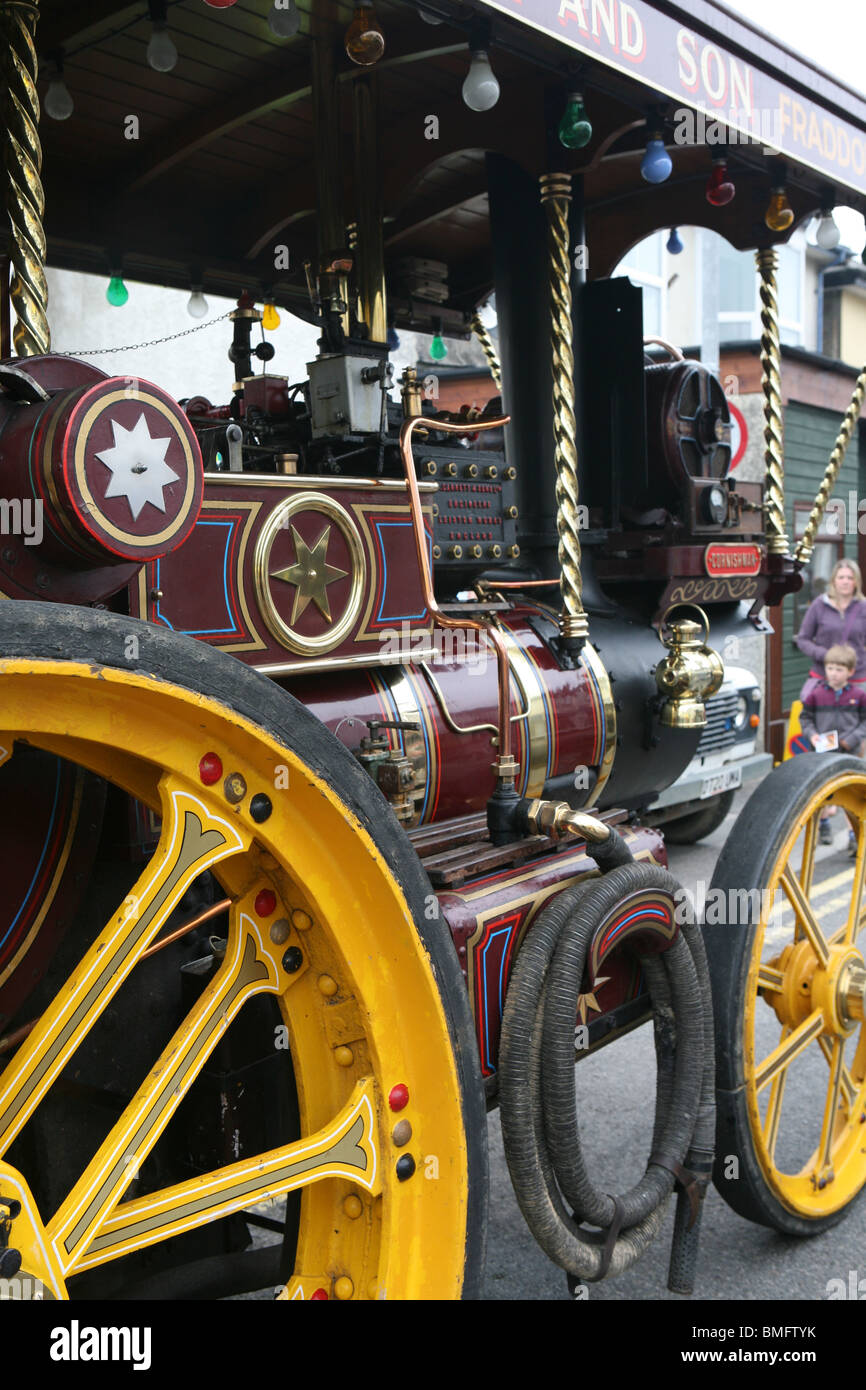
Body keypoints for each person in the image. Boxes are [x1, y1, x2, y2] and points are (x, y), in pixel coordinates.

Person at [799, 643, 866, 853]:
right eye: (830, 668)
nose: (834, 674)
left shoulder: (858, 695)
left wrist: (852, 739)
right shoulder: (817, 694)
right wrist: (813, 735)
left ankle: (854, 835)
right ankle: (824, 826)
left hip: (850, 753)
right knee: (825, 794)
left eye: (839, 669)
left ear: (850, 671)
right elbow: (805, 718)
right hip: (823, 754)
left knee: (851, 797)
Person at [795, 558, 866, 699]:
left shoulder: (863, 607)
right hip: (824, 675)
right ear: (834, 581)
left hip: (856, 677)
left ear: (856, 582)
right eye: (841, 577)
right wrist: (824, 655)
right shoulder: (819, 605)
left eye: (850, 578)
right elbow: (803, 639)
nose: (845, 581)